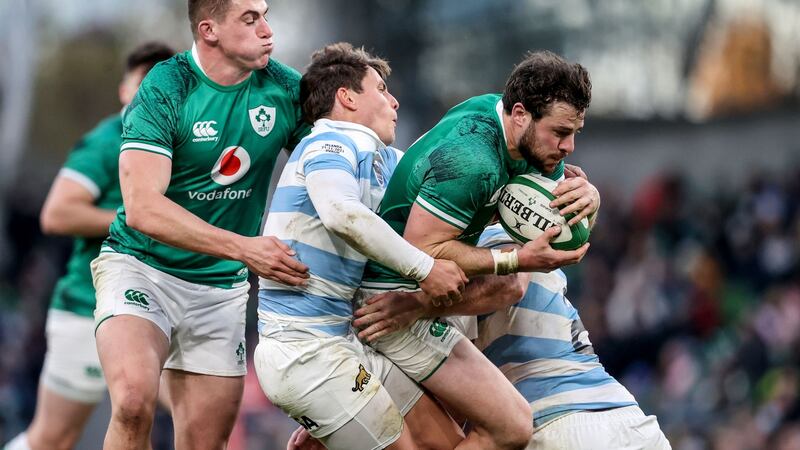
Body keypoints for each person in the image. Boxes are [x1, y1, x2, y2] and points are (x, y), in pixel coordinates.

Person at [89, 1, 311, 448]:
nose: (267, 30)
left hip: (219, 290)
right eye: (250, 19)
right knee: (132, 403)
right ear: (209, 30)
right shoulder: (167, 86)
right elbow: (143, 208)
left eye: (266, 15)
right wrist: (245, 249)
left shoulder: (287, 89)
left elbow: (330, 174)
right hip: (142, 268)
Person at [355, 49, 600, 450]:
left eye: (575, 132)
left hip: (424, 285)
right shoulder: (474, 161)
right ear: (520, 114)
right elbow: (419, 250)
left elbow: (568, 222)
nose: (569, 146)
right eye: (560, 132)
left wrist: (591, 197)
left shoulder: (514, 129)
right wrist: (516, 259)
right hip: (391, 296)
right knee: (511, 427)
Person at [255, 42, 466, 450]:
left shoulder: (381, 159)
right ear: (347, 98)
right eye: (382, 90)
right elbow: (340, 212)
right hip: (304, 351)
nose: (394, 101)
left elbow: (453, 184)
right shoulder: (329, 143)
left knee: (448, 442)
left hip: (343, 342)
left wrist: (551, 179)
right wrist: (426, 269)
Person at [355, 224, 672, 450]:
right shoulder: (530, 240)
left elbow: (508, 284)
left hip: (557, 425)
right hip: (628, 420)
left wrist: (416, 306)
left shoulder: (483, 241)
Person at [2, 42, 174, 450]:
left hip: (162, 310)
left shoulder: (185, 144)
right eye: (142, 85)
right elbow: (56, 214)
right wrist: (138, 218)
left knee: (189, 420)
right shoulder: (107, 141)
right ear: (124, 90)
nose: (150, 95)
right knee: (53, 439)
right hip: (88, 308)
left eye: (162, 86)